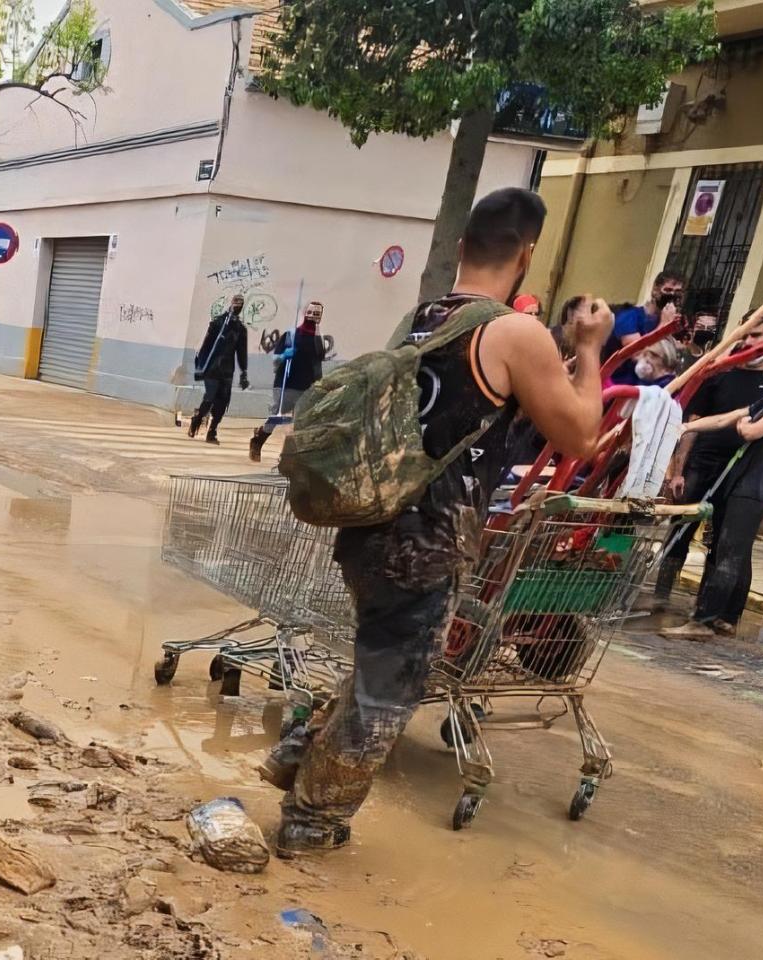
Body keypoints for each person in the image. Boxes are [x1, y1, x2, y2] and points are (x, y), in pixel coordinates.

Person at [258, 188, 614, 854]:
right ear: (528, 254)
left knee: (379, 662)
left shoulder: (427, 318)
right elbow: (583, 437)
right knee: (391, 689)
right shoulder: (515, 332)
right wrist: (591, 349)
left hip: (371, 527)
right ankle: (311, 821)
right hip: (427, 543)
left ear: (461, 249)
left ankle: (296, 754)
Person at [651, 324, 763, 611]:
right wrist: (679, 469)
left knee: (724, 541)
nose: (748, 342)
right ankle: (660, 596)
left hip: (742, 472)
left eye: (756, 336)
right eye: (745, 334)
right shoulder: (720, 374)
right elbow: (701, 422)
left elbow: (751, 428)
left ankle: (708, 608)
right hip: (703, 463)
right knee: (681, 528)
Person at [248, 302, 327, 462]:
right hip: (285, 384)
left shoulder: (318, 341)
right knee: (277, 416)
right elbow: (275, 360)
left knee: (301, 422)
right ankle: (258, 440)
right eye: (311, 313)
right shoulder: (290, 336)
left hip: (306, 387)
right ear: (305, 313)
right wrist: (284, 355)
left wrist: (319, 385)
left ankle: (292, 457)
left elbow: (318, 365)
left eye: (317, 314)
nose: (312, 317)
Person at [187, 294, 251, 443]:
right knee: (210, 397)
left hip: (227, 370)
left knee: (222, 403)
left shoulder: (241, 329)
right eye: (236, 303)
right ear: (231, 304)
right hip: (212, 368)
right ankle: (197, 419)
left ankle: (212, 431)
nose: (238, 307)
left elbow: (241, 352)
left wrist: (244, 373)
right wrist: (200, 367)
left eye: (241, 304)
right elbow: (206, 345)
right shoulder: (218, 323)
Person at [605, 270, 685, 373]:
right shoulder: (629, 316)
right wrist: (663, 327)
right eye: (668, 290)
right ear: (655, 290)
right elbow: (638, 355)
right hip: (619, 380)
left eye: (678, 293)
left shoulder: (669, 320)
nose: (672, 295)